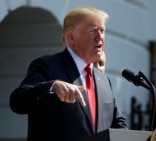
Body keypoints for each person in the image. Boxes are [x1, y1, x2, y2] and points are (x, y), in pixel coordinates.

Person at [9, 6, 127, 141]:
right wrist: (53, 87)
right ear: (71, 37)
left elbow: (118, 124)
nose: (99, 36)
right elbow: (18, 101)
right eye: (92, 31)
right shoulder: (48, 66)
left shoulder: (103, 80)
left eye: (102, 31)